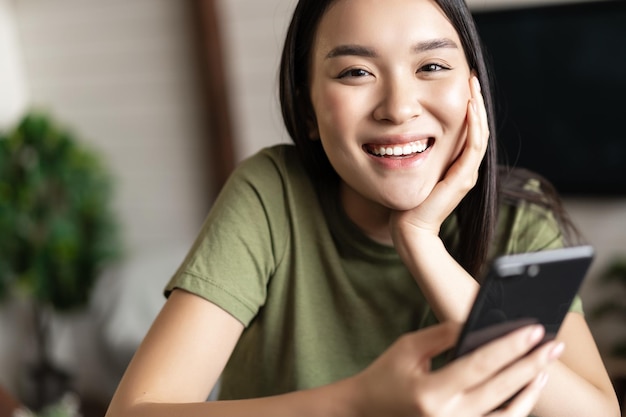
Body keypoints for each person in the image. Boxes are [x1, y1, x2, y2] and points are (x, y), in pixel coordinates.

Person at [105, 0, 620, 416]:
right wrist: (356, 403)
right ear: (307, 108)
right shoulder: (272, 194)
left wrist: (422, 242)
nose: (398, 106)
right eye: (355, 72)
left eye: (432, 66)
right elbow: (135, 411)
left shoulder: (519, 219)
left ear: (473, 92)